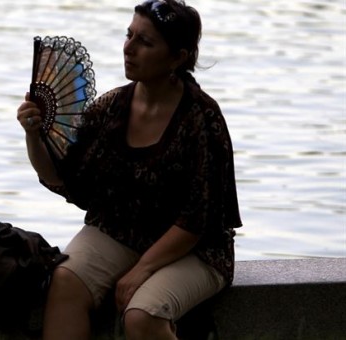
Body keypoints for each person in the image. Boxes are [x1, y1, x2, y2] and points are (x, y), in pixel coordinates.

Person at [16, 0, 242, 339]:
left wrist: (142, 270)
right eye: (129, 35)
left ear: (178, 58)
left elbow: (198, 220)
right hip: (121, 231)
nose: (129, 48)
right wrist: (33, 136)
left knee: (142, 313)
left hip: (195, 249)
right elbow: (60, 177)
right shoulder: (111, 108)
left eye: (145, 42)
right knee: (63, 281)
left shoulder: (201, 118)